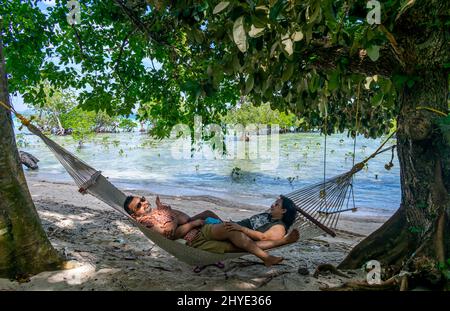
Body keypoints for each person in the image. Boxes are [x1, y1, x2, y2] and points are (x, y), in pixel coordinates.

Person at [186, 196, 299, 267]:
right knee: (208, 213)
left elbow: (264, 238)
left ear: (284, 210)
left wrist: (241, 229)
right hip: (232, 228)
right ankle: (183, 227)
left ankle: (266, 258)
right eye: (274, 202)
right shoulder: (269, 215)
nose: (272, 205)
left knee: (229, 229)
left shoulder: (279, 227)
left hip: (235, 236)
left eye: (276, 204)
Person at [123, 195, 220, 240]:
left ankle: (229, 224)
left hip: (186, 223)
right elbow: (170, 233)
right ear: (134, 215)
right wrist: (171, 215)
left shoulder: (156, 211)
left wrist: (167, 211)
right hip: (189, 231)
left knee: (208, 213)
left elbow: (184, 218)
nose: (144, 203)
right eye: (138, 206)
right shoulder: (147, 222)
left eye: (143, 199)